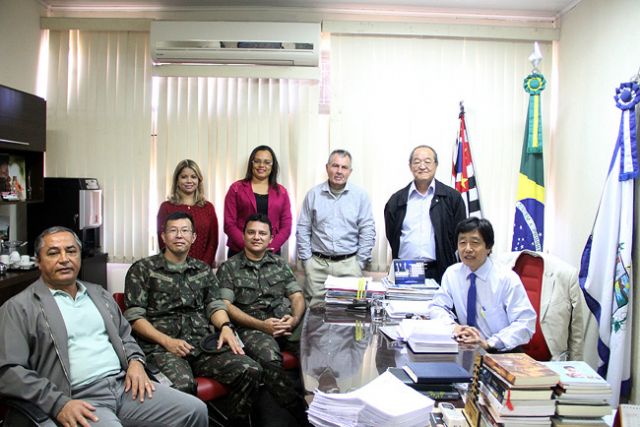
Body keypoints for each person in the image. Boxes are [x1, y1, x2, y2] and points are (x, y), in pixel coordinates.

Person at [0, 226, 207, 427]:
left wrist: (135, 362)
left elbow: (126, 336)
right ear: (39, 261)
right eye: (53, 253)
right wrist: (58, 403)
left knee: (194, 410)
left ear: (80, 255)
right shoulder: (19, 307)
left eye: (71, 251)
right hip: (78, 397)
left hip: (124, 386)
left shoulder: (98, 294)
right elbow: (8, 372)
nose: (64, 259)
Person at [125, 211, 262, 424]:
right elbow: (134, 318)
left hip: (202, 345)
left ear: (193, 237)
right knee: (182, 387)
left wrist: (225, 326)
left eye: (185, 230)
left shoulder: (203, 270)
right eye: (173, 230)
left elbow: (214, 305)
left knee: (250, 370)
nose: (179, 235)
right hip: (163, 348)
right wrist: (167, 341)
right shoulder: (143, 270)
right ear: (163, 236)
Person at [217, 213, 309, 425]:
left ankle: (326, 405)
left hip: (284, 323)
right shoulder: (230, 267)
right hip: (251, 328)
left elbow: (296, 296)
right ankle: (302, 414)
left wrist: (294, 319)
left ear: (270, 238)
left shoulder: (279, 264)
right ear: (243, 235)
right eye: (251, 232)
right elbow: (226, 305)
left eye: (262, 233)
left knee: (315, 348)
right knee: (269, 357)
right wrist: (262, 326)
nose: (256, 237)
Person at [429, 217, 536, 352]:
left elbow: (525, 322)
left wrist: (489, 343)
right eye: (462, 242)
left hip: (500, 350)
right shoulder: (452, 274)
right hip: (465, 347)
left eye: (474, 243)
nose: (467, 249)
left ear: (489, 247)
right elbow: (437, 306)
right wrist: (453, 327)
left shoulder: (507, 278)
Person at [296, 149, 376, 307]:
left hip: (349, 265)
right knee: (315, 313)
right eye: (335, 166)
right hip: (318, 266)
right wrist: (307, 261)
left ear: (350, 171)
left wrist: (359, 262)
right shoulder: (313, 194)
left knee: (350, 313)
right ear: (327, 168)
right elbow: (303, 229)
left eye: (344, 167)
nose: (339, 171)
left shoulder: (360, 196)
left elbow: (367, 231)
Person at [384, 145, 466, 283]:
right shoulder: (396, 200)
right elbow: (392, 235)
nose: (422, 166)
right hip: (406, 269)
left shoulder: (452, 198)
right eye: (417, 162)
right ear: (410, 166)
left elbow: (460, 235)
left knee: (440, 305)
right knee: (405, 304)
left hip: (440, 269)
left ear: (436, 165)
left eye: (427, 161)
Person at [224, 145, 292, 257]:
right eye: (257, 161)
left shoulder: (282, 192)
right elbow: (229, 224)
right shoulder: (236, 189)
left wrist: (271, 247)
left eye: (267, 162)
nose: (261, 165)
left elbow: (286, 225)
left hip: (271, 253)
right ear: (252, 163)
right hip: (239, 251)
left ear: (272, 165)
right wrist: (248, 247)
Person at [157, 159, 218, 266]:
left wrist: (203, 267)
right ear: (177, 180)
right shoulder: (166, 208)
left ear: (199, 180)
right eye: (184, 177)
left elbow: (212, 242)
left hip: (202, 271)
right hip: (173, 269)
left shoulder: (208, 208)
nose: (189, 181)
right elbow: (163, 241)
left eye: (193, 177)